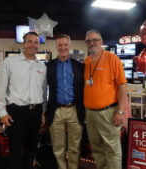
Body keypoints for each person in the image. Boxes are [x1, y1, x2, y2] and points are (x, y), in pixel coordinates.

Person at [0, 32, 47, 169]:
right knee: (15, 149)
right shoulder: (9, 63)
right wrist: (2, 112)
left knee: (32, 147)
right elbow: (0, 89)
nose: (33, 45)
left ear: (39, 45)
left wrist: (42, 112)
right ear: (23, 44)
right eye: (29, 41)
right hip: (17, 112)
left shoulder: (42, 67)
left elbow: (42, 91)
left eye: (36, 42)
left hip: (35, 112)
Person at [83, 29, 129, 169]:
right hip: (90, 114)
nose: (92, 43)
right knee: (96, 148)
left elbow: (122, 86)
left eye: (95, 40)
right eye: (89, 41)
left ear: (101, 41)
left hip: (108, 113)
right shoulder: (87, 61)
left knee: (112, 150)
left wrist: (120, 112)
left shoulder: (112, 58)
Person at [46, 34, 85, 169]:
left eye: (65, 44)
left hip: (75, 111)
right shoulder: (49, 66)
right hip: (56, 111)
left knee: (74, 148)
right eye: (60, 45)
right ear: (56, 47)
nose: (63, 47)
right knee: (58, 148)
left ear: (70, 46)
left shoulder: (79, 66)